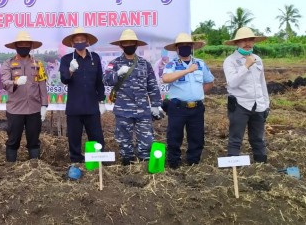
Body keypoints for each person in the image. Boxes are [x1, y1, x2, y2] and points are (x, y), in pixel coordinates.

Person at [104, 29, 162, 165]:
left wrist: (156, 104)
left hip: (143, 109)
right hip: (123, 110)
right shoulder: (114, 63)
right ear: (121, 46)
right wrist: (117, 73)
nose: (129, 45)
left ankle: (144, 166)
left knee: (146, 140)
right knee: (124, 141)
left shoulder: (144, 64)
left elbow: (152, 85)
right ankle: (127, 165)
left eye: (132, 43)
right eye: (126, 43)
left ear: (136, 45)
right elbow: (106, 80)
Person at [162, 33, 214, 168]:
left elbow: (209, 82)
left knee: (197, 136)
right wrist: (187, 70)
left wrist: (197, 94)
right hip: (177, 107)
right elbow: (166, 79)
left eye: (188, 45)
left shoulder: (201, 64)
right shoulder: (171, 64)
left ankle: (193, 162)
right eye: (182, 46)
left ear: (192, 47)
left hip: (196, 107)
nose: (185, 48)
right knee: (174, 136)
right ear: (177, 49)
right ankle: (174, 162)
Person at [223, 27, 270, 163]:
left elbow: (262, 83)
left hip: (258, 105)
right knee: (236, 138)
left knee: (258, 138)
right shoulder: (230, 61)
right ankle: (233, 168)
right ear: (237, 43)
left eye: (250, 40)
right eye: (243, 40)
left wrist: (266, 104)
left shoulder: (258, 59)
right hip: (240, 104)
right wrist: (246, 66)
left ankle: (262, 165)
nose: (247, 43)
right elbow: (232, 83)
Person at [59, 28, 106, 163]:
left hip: (92, 106)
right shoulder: (67, 59)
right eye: (77, 41)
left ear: (87, 42)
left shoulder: (94, 58)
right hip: (74, 106)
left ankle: (98, 161)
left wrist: (101, 100)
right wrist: (70, 70)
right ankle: (76, 161)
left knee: (97, 136)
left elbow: (99, 81)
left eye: (82, 40)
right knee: (74, 138)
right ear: (72, 43)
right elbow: (64, 79)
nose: (80, 42)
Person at [1, 31, 48, 162]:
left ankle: (35, 168)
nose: (23, 46)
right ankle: (10, 167)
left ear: (30, 46)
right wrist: (15, 82)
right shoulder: (8, 64)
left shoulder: (38, 64)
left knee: (34, 139)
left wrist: (44, 105)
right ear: (16, 46)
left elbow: (42, 85)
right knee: (13, 139)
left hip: (34, 108)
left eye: (26, 44)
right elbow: (4, 83)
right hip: (15, 109)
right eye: (20, 44)